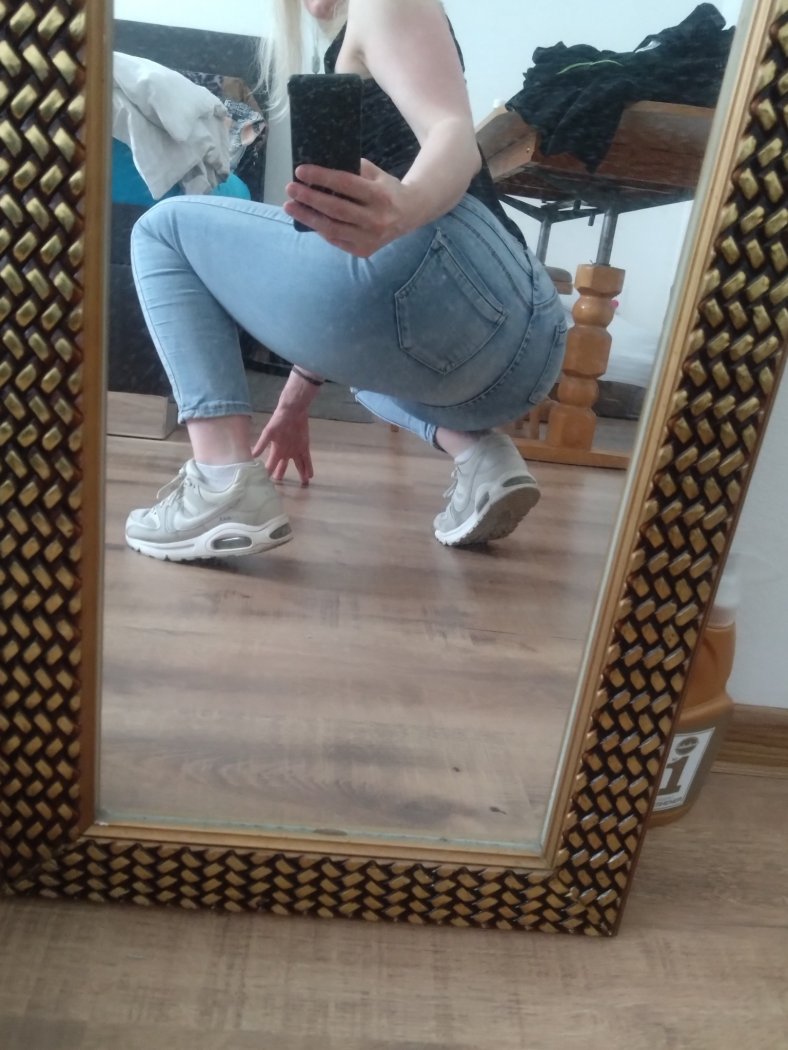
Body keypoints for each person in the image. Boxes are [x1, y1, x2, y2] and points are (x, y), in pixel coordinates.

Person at [125, 0, 567, 562]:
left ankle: (220, 483)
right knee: (364, 376)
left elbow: (453, 133)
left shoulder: (381, 4)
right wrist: (293, 402)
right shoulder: (352, 39)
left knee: (162, 230)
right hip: (520, 363)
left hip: (466, 278)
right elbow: (352, 281)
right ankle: (483, 459)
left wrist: (406, 206)